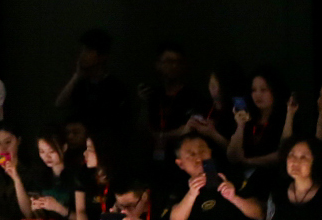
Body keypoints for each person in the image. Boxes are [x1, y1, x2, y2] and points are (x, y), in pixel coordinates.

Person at [54, 28, 137, 157]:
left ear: (101, 56)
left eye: (88, 51)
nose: (82, 55)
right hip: (77, 150)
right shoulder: (81, 84)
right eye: (82, 50)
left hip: (102, 150)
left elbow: (117, 126)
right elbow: (59, 103)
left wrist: (88, 133)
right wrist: (76, 76)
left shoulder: (115, 87)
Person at [140, 46, 212, 164]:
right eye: (168, 62)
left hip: (183, 160)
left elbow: (191, 128)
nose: (173, 66)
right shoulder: (152, 95)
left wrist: (161, 136)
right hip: (152, 159)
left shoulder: (193, 96)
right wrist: (143, 103)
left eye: (178, 62)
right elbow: (142, 128)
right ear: (158, 65)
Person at [224, 69, 294, 175]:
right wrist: (240, 126)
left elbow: (284, 153)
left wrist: (248, 162)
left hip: (272, 176)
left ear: (274, 91)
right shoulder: (249, 117)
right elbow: (232, 157)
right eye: (254, 90)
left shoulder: (284, 118)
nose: (257, 95)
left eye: (263, 90)